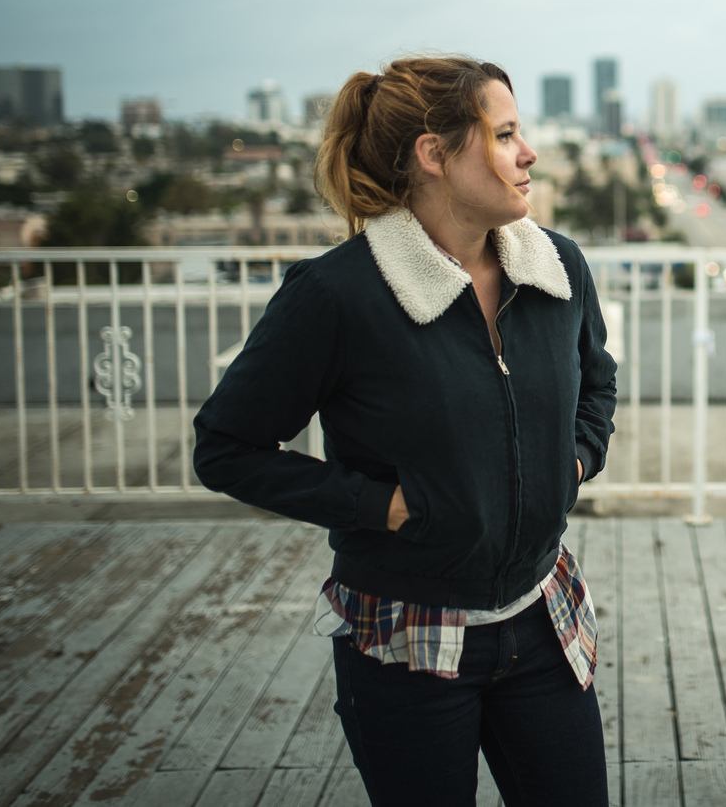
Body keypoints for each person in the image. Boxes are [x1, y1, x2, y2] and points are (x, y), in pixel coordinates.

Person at [194, 55, 616, 806]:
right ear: (434, 154)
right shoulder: (336, 295)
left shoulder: (556, 268)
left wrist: (575, 462)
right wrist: (381, 506)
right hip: (404, 639)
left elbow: (598, 378)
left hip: (541, 621)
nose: (531, 153)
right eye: (507, 132)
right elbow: (226, 448)